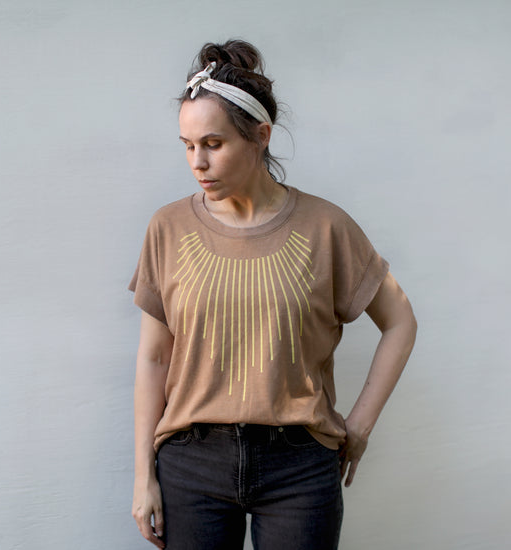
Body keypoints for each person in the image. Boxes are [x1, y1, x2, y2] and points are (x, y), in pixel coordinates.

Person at [128, 39, 417, 550]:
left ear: (260, 136)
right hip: (191, 463)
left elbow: (400, 321)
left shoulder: (326, 227)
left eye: (213, 143)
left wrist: (360, 425)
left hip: (298, 465)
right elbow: (154, 358)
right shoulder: (167, 228)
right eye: (187, 145)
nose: (198, 162)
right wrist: (142, 475)